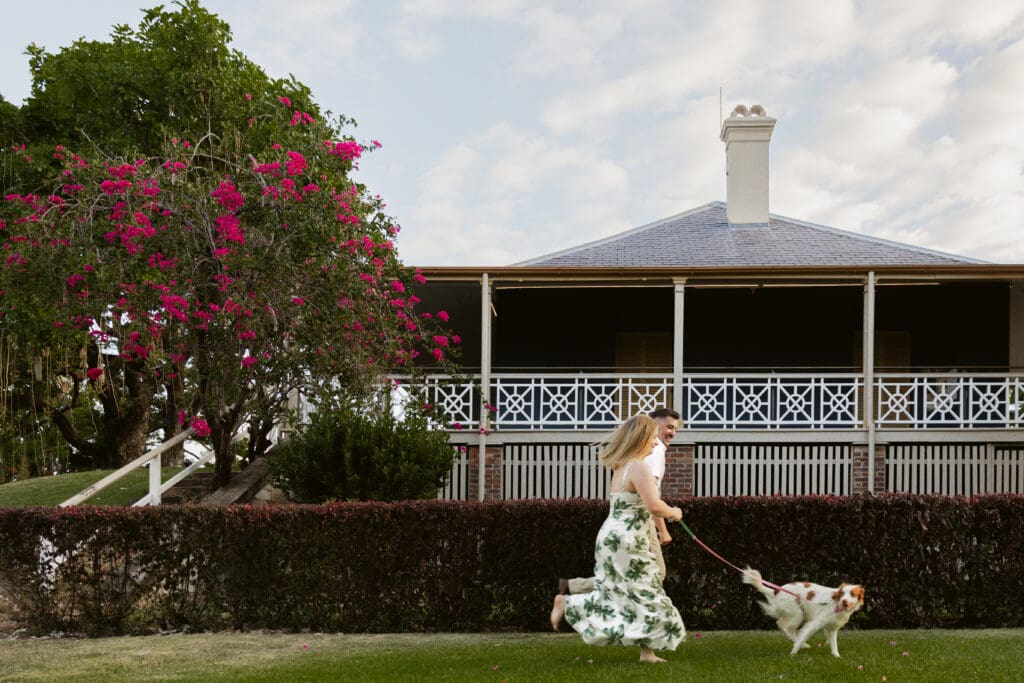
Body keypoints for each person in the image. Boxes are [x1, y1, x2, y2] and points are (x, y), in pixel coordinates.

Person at [549, 414, 686, 663]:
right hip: (628, 541)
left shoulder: (623, 467)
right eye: (652, 438)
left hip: (614, 537)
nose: (656, 443)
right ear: (642, 438)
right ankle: (567, 604)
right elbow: (654, 506)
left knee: (631, 592)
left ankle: (647, 652)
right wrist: (675, 513)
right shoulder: (639, 467)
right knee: (645, 592)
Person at [559, 408, 680, 595]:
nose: (660, 439)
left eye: (675, 429)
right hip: (632, 531)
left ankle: (571, 593)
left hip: (614, 530)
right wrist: (670, 519)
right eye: (668, 427)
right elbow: (652, 502)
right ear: (645, 433)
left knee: (625, 578)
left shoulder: (623, 464)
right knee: (652, 574)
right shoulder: (647, 459)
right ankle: (572, 598)